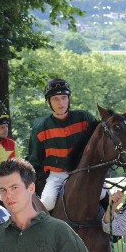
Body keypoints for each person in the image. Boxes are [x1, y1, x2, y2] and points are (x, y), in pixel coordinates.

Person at [26, 78, 100, 211]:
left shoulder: (84, 118)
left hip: (84, 171)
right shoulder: (40, 127)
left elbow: (99, 143)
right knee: (47, 204)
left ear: (69, 99)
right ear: (48, 102)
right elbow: (34, 159)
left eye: (64, 97)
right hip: (56, 176)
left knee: (104, 194)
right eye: (55, 99)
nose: (61, 103)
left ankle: (112, 227)